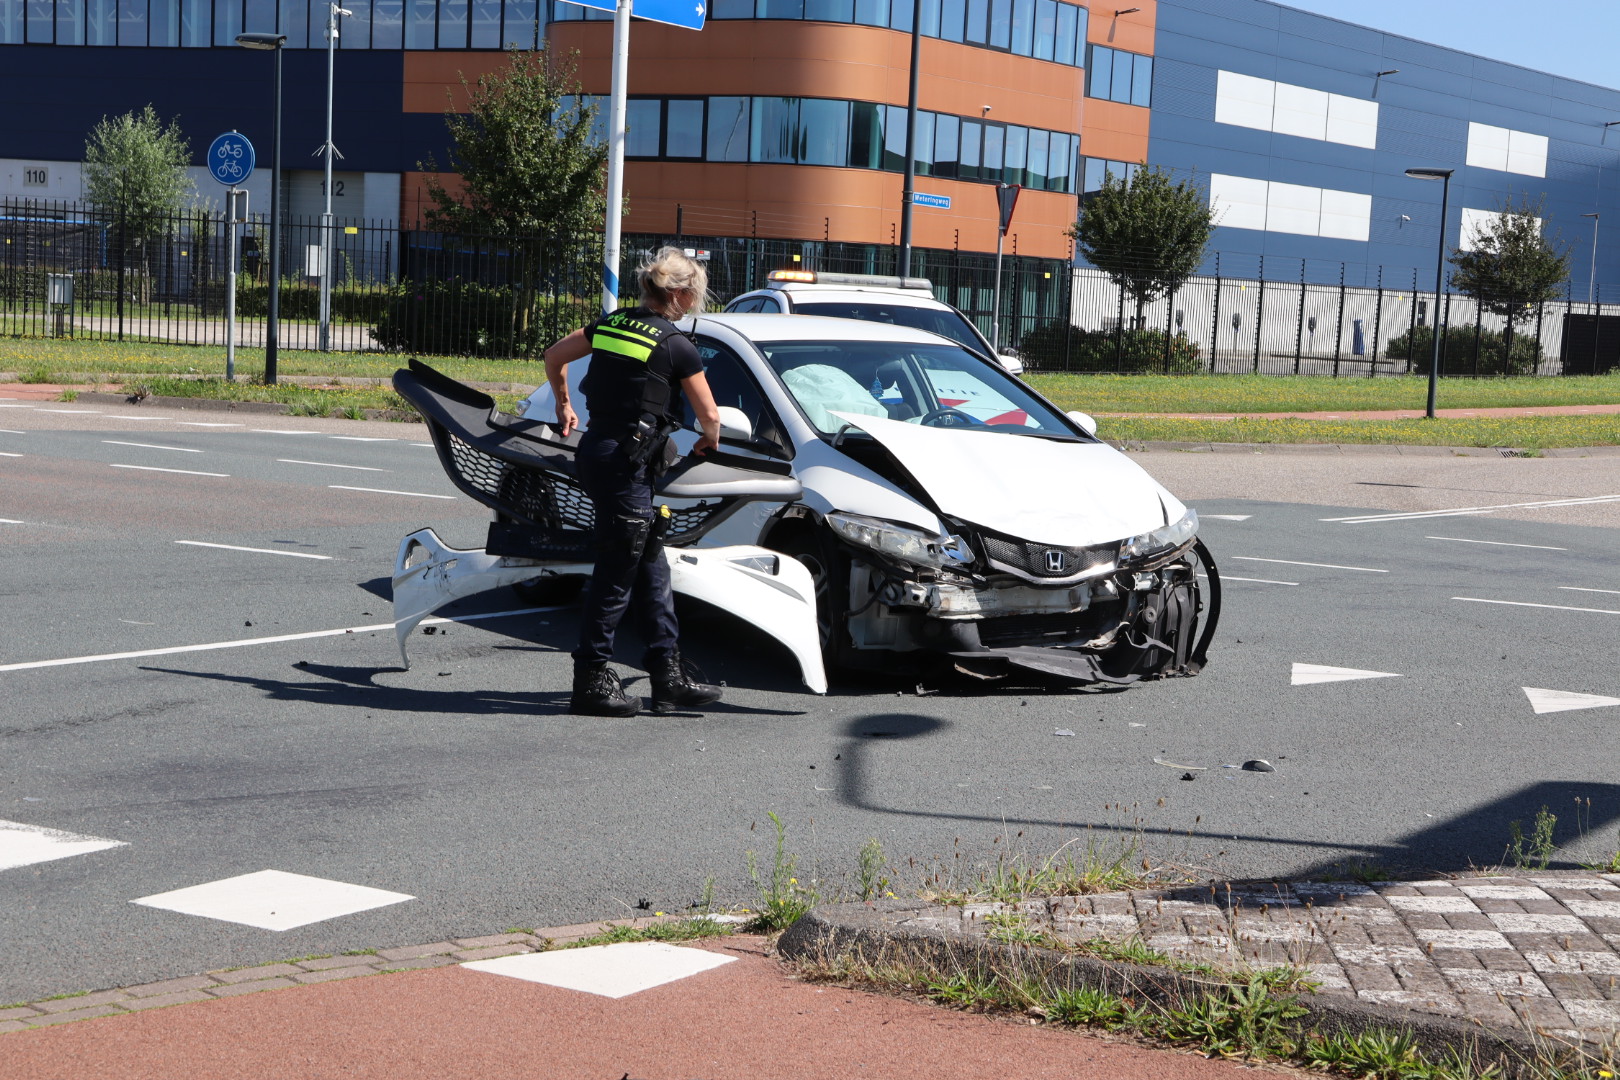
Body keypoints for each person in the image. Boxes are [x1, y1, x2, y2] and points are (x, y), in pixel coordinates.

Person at [542, 247, 725, 717]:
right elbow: (710, 416)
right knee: (615, 574)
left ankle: (667, 676)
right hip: (625, 464)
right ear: (682, 294)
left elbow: (554, 355)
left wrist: (564, 403)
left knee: (650, 564)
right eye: (695, 293)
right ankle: (591, 680)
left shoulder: (613, 323)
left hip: (602, 453)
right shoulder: (675, 345)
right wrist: (708, 442)